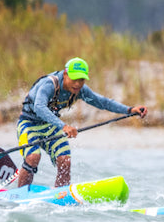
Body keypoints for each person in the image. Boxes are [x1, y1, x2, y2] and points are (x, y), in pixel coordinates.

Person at [15, 57, 148, 188]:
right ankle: (20, 194)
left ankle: (61, 195)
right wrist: (64, 126)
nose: (78, 84)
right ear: (66, 74)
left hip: (50, 126)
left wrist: (129, 109)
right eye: (74, 79)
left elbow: (103, 102)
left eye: (81, 80)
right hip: (28, 124)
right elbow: (39, 107)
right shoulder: (49, 84)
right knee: (33, 157)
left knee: (65, 160)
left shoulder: (79, 91)